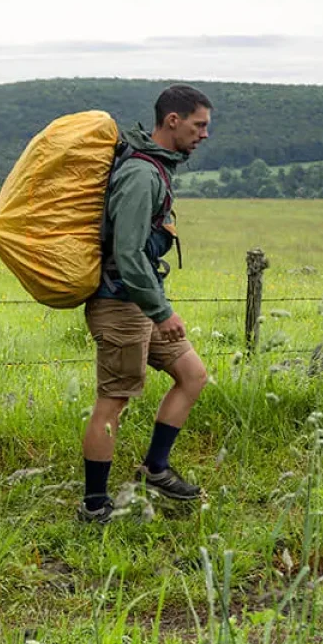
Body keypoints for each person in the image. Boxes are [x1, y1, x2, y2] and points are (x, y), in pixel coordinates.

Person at [78, 84, 213, 524]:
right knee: (112, 403)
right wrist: (162, 312)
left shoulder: (156, 168)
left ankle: (155, 469)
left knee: (192, 375)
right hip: (120, 304)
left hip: (141, 302)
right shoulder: (141, 174)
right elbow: (129, 251)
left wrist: (155, 308)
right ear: (172, 121)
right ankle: (95, 506)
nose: (204, 135)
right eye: (199, 125)